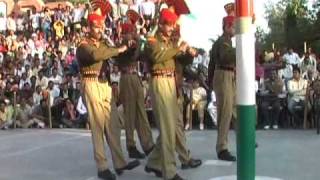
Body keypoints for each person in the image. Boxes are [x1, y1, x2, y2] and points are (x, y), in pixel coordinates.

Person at [76, 4, 139, 180]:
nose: (100, 29)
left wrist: (129, 47)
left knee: (113, 125)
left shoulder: (104, 44)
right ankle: (102, 166)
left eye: (101, 26)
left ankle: (120, 163)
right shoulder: (83, 45)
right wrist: (118, 49)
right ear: (89, 28)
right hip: (91, 82)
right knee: (97, 126)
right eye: (96, 27)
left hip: (105, 84)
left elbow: (116, 56)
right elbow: (96, 55)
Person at [144, 8, 194, 180]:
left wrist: (189, 54)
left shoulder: (169, 43)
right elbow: (158, 55)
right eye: (169, 25)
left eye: (173, 25)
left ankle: (154, 162)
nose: (172, 28)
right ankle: (170, 172)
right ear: (160, 24)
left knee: (171, 128)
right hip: (160, 82)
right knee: (167, 128)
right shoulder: (152, 41)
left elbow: (180, 60)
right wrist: (178, 48)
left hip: (171, 83)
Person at [116, 22, 155, 159]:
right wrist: (137, 44)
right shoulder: (121, 46)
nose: (133, 34)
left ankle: (148, 144)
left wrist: (144, 44)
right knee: (130, 114)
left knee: (141, 112)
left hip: (135, 77)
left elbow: (141, 56)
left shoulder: (134, 43)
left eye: (133, 32)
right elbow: (132, 55)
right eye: (131, 32)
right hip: (127, 78)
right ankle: (131, 145)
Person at [208, 2, 236, 161]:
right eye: (233, 26)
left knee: (235, 109)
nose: (235, 29)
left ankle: (245, 138)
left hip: (228, 75)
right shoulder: (223, 42)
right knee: (225, 113)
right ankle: (222, 148)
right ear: (227, 27)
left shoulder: (228, 41)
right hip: (223, 74)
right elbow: (226, 58)